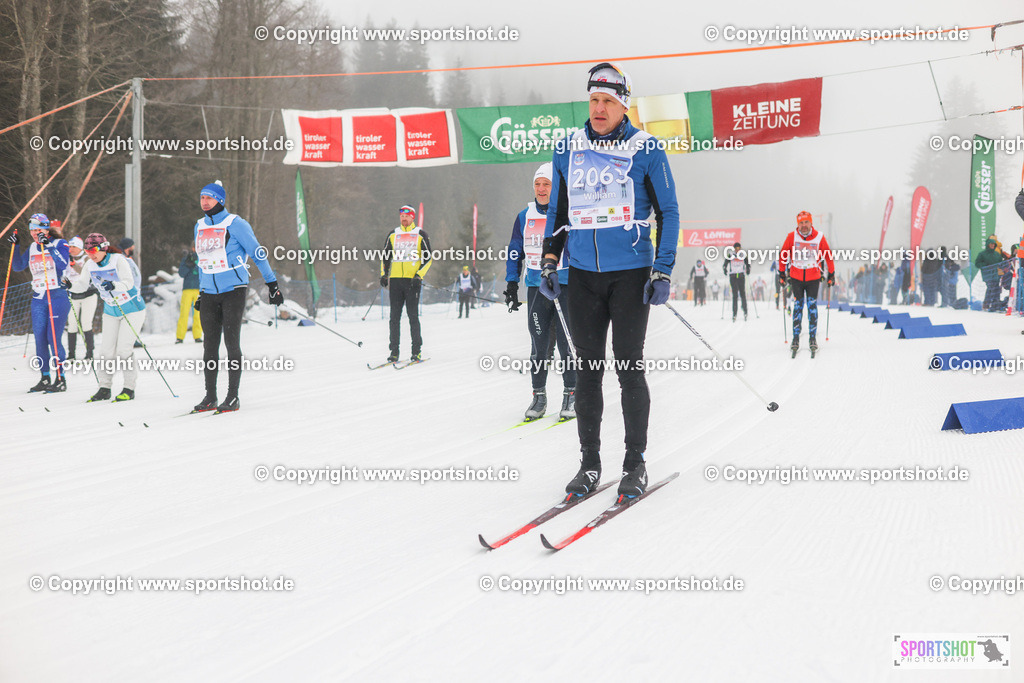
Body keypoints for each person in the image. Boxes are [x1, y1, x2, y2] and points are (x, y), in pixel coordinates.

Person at [540, 62, 680, 500]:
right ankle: (589, 464)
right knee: (586, 369)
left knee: (628, 364)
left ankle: (634, 463)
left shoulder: (647, 149)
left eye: (609, 101)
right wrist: (549, 260)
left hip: (630, 274)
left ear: (624, 105)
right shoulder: (567, 150)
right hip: (582, 275)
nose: (599, 109)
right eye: (594, 100)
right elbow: (557, 214)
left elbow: (669, 212)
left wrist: (662, 267)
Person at [193, 180, 283, 412]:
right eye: (202, 197)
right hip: (209, 293)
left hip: (233, 290)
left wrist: (272, 284)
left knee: (232, 343)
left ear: (220, 200)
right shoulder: (199, 225)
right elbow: (203, 261)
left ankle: (233, 397)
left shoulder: (236, 224)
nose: (204, 202)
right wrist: (202, 291)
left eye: (209, 198)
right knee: (209, 347)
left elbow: (258, 253)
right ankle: (210, 396)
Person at [503, 162, 576, 422]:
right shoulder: (524, 216)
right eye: (537, 184)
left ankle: (571, 393)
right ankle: (539, 396)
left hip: (565, 285)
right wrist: (512, 283)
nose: (541, 189)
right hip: (535, 287)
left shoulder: (566, 214)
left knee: (568, 345)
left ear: (555, 188)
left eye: (546, 184)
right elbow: (515, 250)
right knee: (539, 345)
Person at [73, 234, 146, 401]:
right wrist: (70, 287)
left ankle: (129, 388)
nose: (90, 254)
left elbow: (129, 283)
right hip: (111, 310)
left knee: (123, 350)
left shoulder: (118, 260)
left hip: (132, 309)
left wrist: (114, 285)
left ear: (103, 248)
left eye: (93, 250)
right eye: (87, 250)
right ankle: (104, 388)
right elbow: (82, 285)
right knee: (106, 351)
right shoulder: (90, 264)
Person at [9, 214, 71, 392]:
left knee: (53, 338)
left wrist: (49, 245)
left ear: (46, 229)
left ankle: (61, 378)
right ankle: (45, 377)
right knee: (40, 340)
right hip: (38, 298)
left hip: (57, 296)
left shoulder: (60, 243)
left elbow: (62, 264)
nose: (36, 233)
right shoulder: (32, 247)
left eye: (39, 229)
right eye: (33, 230)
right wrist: (15, 246)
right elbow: (18, 266)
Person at [380, 205, 432, 362]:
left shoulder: (420, 234)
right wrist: (384, 275)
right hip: (395, 281)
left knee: (412, 316)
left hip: (411, 282)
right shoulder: (393, 234)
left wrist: (419, 275)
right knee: (394, 318)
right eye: (401, 215)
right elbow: (385, 257)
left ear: (412, 217)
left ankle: (416, 351)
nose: (403, 218)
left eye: (407, 215)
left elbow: (428, 258)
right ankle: (394, 352)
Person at [779, 211, 835, 355]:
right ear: (798, 224)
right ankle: (796, 338)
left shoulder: (819, 237)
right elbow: (783, 254)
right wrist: (781, 273)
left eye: (806, 223)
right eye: (801, 223)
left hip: (813, 278)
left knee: (812, 307)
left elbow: (828, 256)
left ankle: (812, 338)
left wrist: (831, 274)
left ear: (811, 223)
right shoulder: (792, 237)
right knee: (797, 307)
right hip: (796, 277)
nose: (804, 226)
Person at [64, 236, 98, 361]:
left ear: (80, 247)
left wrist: (73, 264)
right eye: (70, 247)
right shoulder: (66, 258)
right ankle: (71, 354)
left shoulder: (87, 258)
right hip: (73, 295)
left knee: (85, 323)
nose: (71, 249)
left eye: (74, 247)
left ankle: (90, 353)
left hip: (88, 295)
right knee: (72, 325)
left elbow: (87, 274)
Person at [176, 245, 203, 343]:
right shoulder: (186, 259)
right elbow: (181, 273)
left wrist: (196, 264)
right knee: (184, 313)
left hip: (198, 289)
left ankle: (197, 335)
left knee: (198, 313)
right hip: (187, 289)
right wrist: (188, 264)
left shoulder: (202, 258)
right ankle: (180, 337)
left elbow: (202, 272)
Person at [975, 237, 1004, 312]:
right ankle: (990, 304)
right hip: (987, 274)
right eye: (991, 244)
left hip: (996, 274)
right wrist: (986, 265)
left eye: (994, 244)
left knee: (995, 288)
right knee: (991, 287)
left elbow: (1001, 263)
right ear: (988, 245)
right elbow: (977, 263)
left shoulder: (997, 254)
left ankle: (992, 304)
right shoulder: (982, 254)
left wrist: (1002, 269)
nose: (992, 246)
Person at [723, 242, 750, 321]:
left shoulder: (743, 254)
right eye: (736, 248)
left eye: (739, 248)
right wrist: (724, 268)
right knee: (735, 295)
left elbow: (748, 263)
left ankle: (745, 311)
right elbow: (725, 262)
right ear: (734, 248)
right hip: (733, 276)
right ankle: (734, 313)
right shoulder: (730, 254)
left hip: (741, 276)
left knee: (742, 294)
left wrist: (748, 269)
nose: (738, 250)